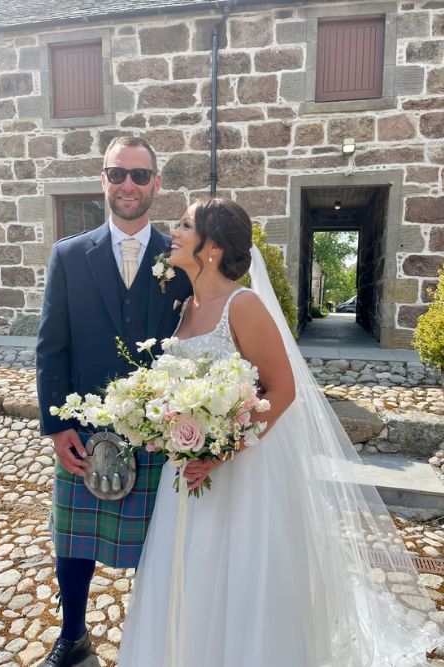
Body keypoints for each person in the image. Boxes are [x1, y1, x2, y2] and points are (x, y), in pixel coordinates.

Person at [118, 198, 441, 666]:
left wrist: (222, 450)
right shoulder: (186, 306)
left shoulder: (242, 305)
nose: (174, 232)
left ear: (211, 247)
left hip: (240, 473)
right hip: (188, 472)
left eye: (185, 225)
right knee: (193, 574)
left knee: (239, 579)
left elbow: (283, 389)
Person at [35, 136, 193, 666]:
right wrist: (56, 425)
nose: (128, 185)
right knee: (74, 540)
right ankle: (74, 633)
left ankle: (155, 640)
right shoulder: (68, 255)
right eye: (117, 174)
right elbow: (51, 345)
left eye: (140, 176)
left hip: (160, 428)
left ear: (157, 183)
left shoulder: (182, 258)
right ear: (103, 179)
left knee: (161, 542)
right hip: (84, 426)